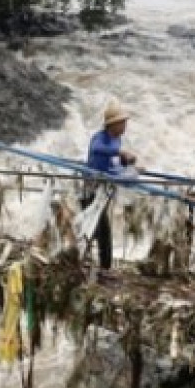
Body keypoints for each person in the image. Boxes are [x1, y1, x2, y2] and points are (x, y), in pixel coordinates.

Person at [83, 102, 137, 271]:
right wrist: (120, 153)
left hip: (104, 191)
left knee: (103, 231)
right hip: (91, 191)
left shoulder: (117, 139)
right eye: (122, 122)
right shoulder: (99, 138)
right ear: (112, 124)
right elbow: (97, 149)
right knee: (95, 230)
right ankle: (92, 265)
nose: (125, 126)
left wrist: (125, 161)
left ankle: (104, 268)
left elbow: (112, 164)